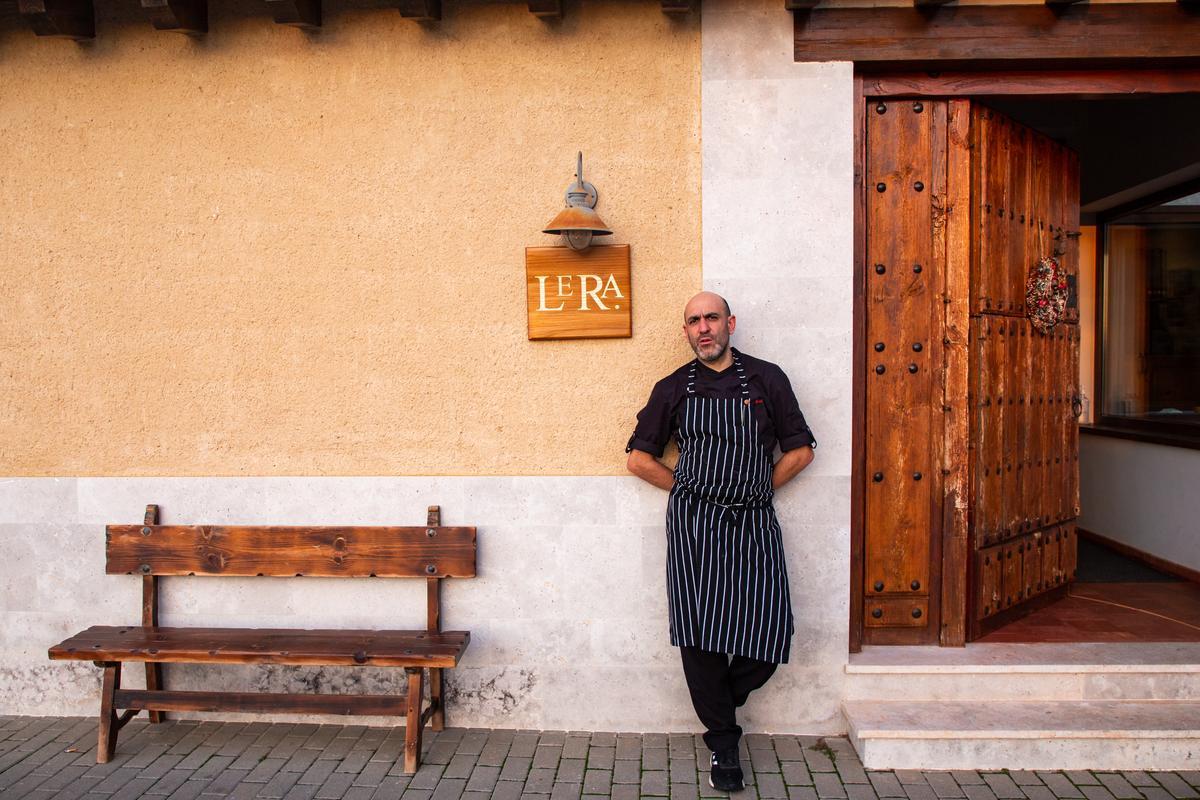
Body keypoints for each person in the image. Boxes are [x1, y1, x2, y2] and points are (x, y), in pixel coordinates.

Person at [626, 291, 816, 793]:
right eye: (694, 321)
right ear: (685, 331)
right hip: (695, 528)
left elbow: (800, 451)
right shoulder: (671, 389)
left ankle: (720, 701)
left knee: (772, 630)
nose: (703, 327)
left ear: (730, 322)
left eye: (711, 318)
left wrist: (757, 490)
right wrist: (690, 493)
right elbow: (639, 460)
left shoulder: (766, 379)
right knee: (700, 634)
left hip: (753, 522)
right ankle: (723, 743)